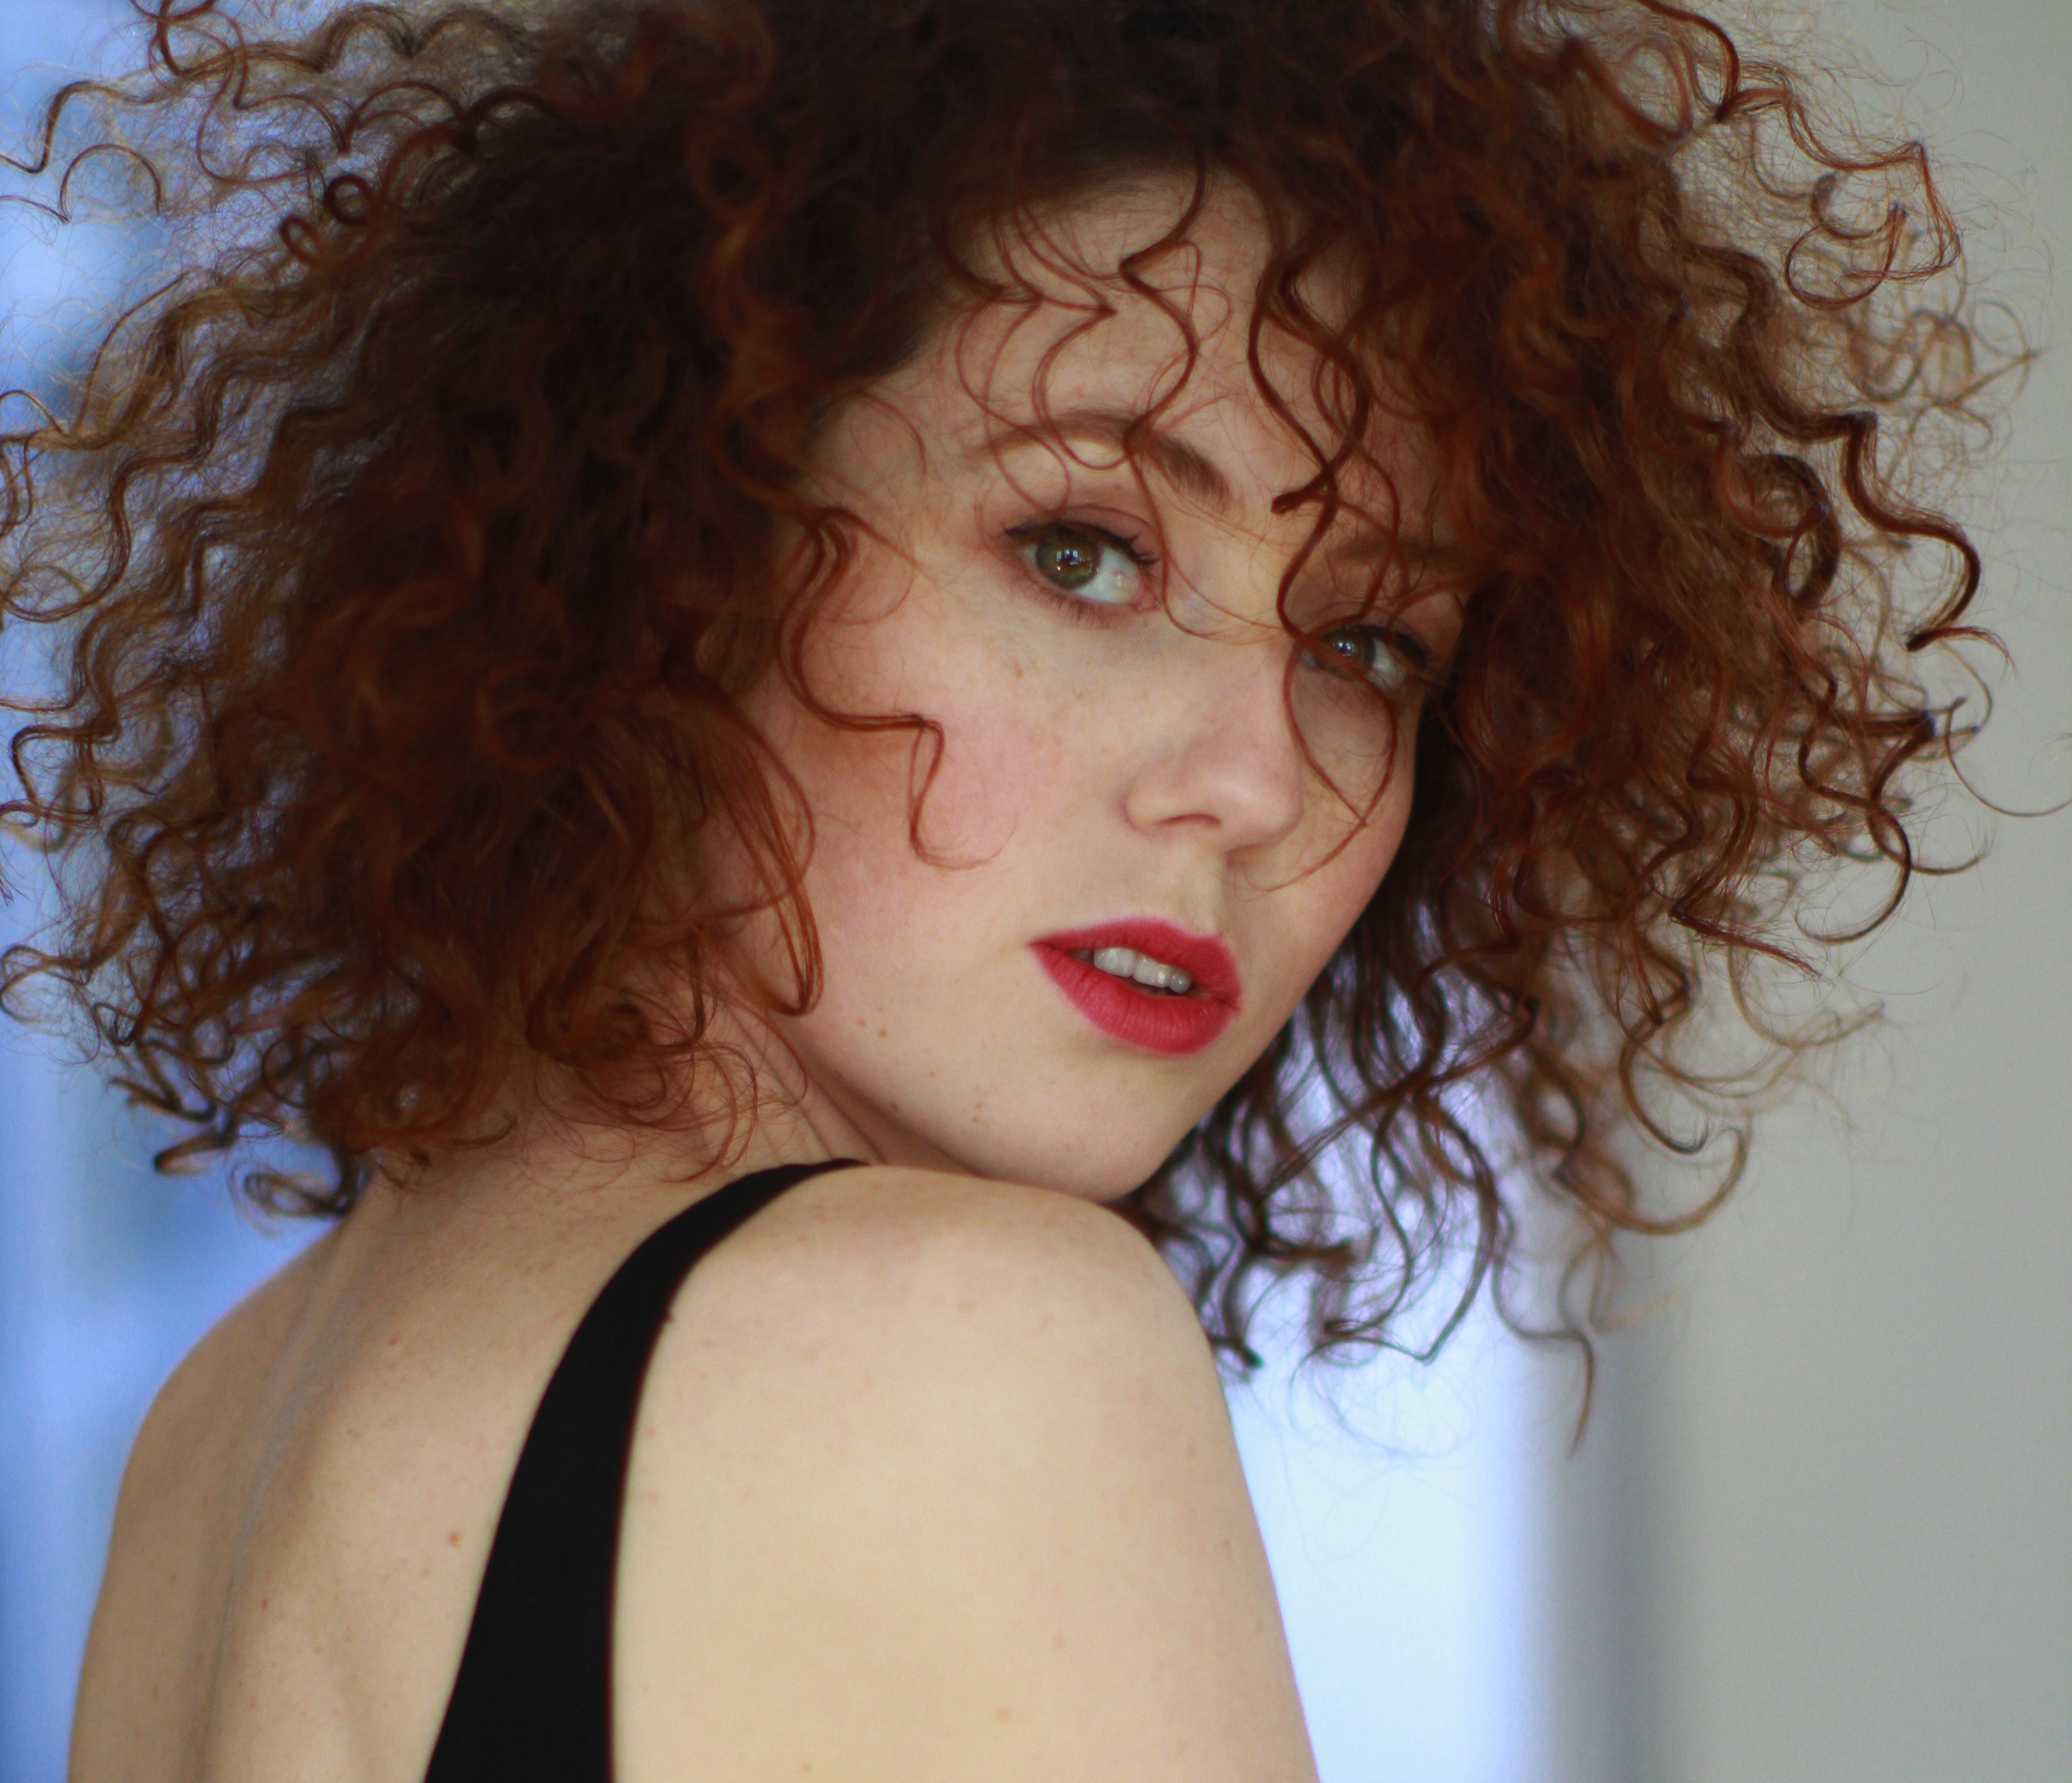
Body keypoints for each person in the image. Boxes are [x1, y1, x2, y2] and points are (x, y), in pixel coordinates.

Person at [0, 0, 2001, 1775]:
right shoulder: (960, 1341)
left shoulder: (221, 1431)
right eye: (1081, 550)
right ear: (671, 531)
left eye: (1370, 647)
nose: (1257, 783)